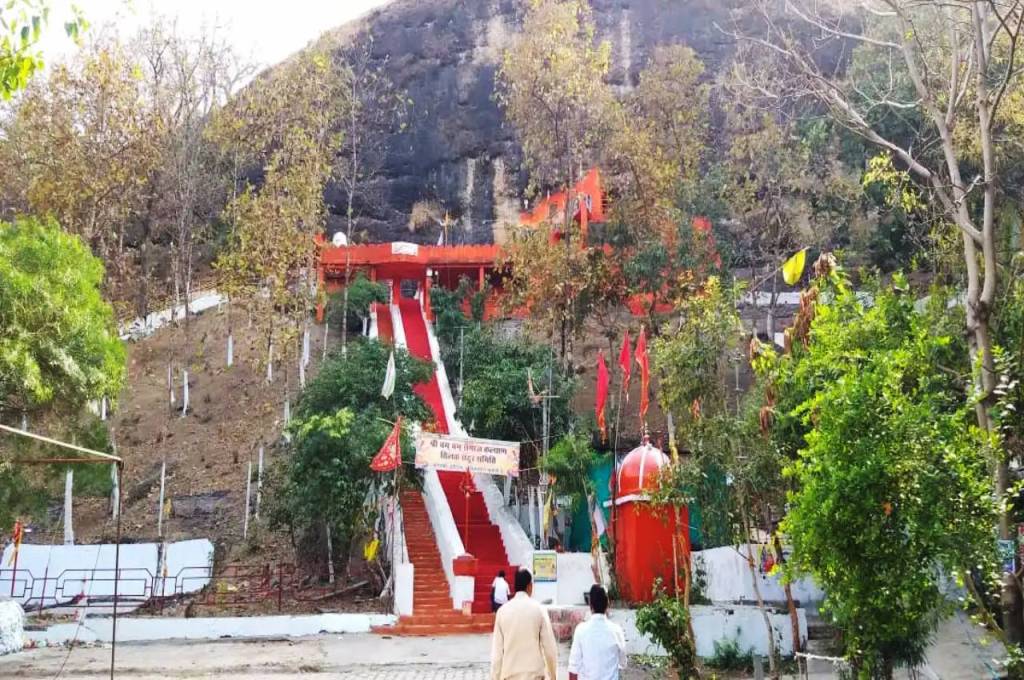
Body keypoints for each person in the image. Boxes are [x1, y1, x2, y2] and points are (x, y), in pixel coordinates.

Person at [490, 568, 558, 680]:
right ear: (529, 586)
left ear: (514, 587)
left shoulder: (502, 612)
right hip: (535, 675)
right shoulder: (539, 609)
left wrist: (495, 677)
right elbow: (550, 649)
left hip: (510, 675)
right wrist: (553, 676)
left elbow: (497, 655)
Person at [567, 585, 627, 680]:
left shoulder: (581, 630)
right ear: (608, 604)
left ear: (590, 605)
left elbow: (573, 668)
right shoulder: (616, 631)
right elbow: (623, 663)